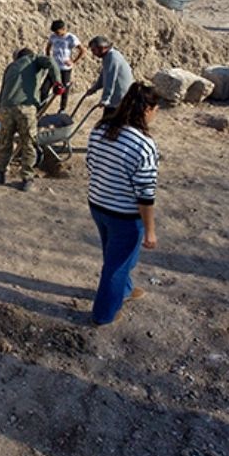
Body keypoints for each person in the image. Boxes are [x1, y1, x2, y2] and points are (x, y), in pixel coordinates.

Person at [85, 82, 160, 326]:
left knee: (116, 254)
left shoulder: (100, 129)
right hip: (124, 215)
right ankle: (104, 314)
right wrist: (150, 230)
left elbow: (90, 164)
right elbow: (145, 195)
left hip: (97, 204)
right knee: (115, 265)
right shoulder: (144, 145)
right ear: (148, 109)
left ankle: (124, 290)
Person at [0, 48, 63, 192]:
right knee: (28, 143)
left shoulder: (11, 67)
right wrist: (57, 82)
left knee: (5, 141)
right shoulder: (35, 59)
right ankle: (27, 179)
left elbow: (2, 90)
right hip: (26, 108)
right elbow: (51, 61)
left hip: (6, 109)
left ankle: (0, 173)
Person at [81, 35, 133, 118]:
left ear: (102, 48)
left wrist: (105, 99)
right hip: (117, 97)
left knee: (108, 123)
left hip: (120, 98)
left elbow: (110, 79)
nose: (93, 53)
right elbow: (103, 77)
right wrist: (93, 89)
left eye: (94, 50)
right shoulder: (108, 57)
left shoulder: (112, 58)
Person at [41, 19, 85, 112]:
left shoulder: (71, 38)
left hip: (65, 69)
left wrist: (73, 61)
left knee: (64, 89)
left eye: (58, 32)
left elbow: (82, 50)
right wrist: (49, 59)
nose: (56, 34)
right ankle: (42, 107)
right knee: (44, 89)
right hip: (54, 68)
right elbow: (48, 47)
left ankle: (62, 109)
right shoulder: (53, 36)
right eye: (55, 32)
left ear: (63, 29)